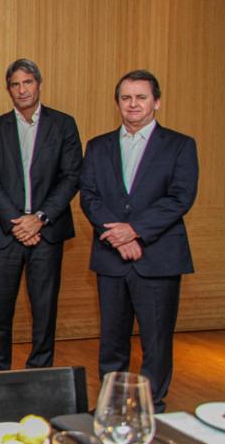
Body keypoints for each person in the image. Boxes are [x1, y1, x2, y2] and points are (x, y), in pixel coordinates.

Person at [80, 70, 197, 413]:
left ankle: (150, 409)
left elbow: (180, 198)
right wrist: (118, 238)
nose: (133, 104)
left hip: (158, 257)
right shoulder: (98, 146)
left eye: (141, 97)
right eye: (126, 98)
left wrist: (134, 230)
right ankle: (111, 407)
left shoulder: (180, 145)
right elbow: (89, 197)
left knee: (156, 341)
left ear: (156, 102)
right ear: (118, 103)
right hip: (111, 258)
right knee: (111, 340)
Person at [0, 58, 82, 371]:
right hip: (5, 233)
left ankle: (40, 373)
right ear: (8, 90)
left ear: (39, 84)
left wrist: (39, 218)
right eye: (15, 84)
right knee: (0, 311)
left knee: (44, 310)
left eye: (27, 82)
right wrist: (17, 222)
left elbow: (71, 176)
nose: (22, 89)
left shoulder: (63, 125)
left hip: (46, 232)